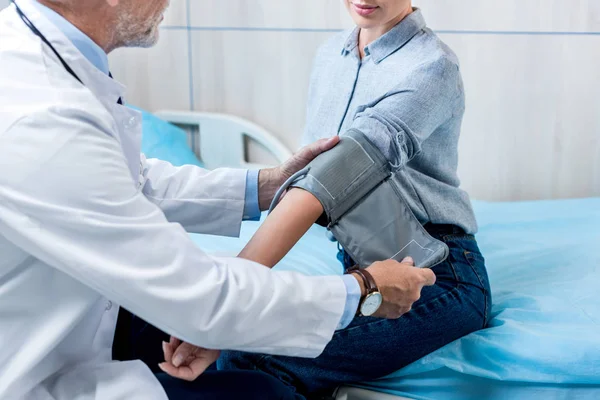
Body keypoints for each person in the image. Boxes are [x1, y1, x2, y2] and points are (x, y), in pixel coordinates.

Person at [0, 0, 438, 399]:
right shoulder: (44, 115)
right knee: (265, 389)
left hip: (81, 311)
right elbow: (203, 298)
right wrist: (363, 291)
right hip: (34, 369)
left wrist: (269, 184)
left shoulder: (44, 59)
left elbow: (124, 183)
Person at [163, 1, 492, 398]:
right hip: (360, 264)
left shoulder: (430, 66)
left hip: (437, 271)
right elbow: (312, 177)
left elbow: (333, 178)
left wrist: (231, 299)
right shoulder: (330, 56)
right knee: (237, 348)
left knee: (252, 357)